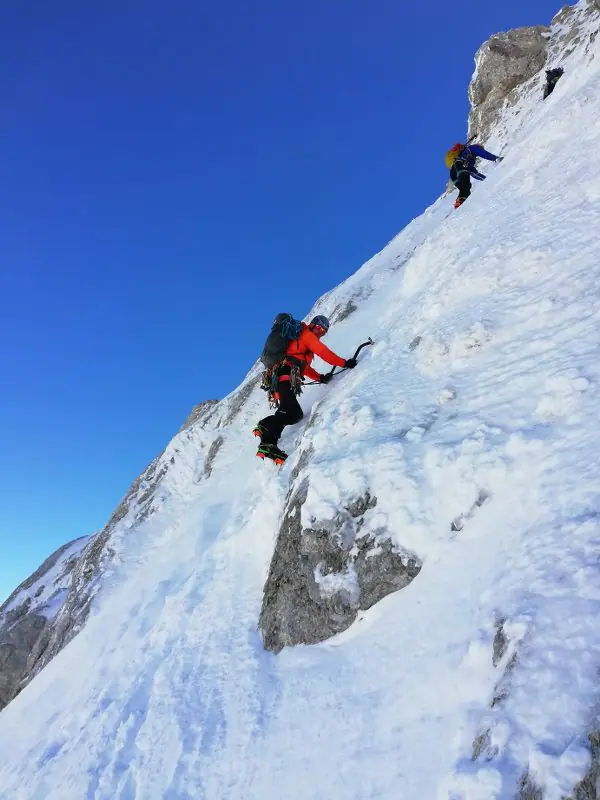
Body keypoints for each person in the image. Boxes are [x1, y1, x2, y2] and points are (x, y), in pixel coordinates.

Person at [253, 315, 357, 463]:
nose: (320, 332)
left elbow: (305, 368)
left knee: (295, 414)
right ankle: (268, 444)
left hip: (284, 377)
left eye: (324, 332)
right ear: (312, 324)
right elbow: (325, 353)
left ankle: (265, 425)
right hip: (284, 375)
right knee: (286, 409)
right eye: (319, 328)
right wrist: (345, 363)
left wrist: (320, 378)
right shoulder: (305, 334)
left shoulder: (303, 345)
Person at [446, 142, 503, 209]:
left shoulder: (468, 161)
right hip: (459, 165)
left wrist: (486, 180)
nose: (482, 150)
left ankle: (459, 202)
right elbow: (484, 154)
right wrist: (496, 158)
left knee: (466, 189)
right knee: (466, 184)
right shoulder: (472, 148)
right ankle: (460, 201)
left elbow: (475, 174)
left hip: (453, 173)